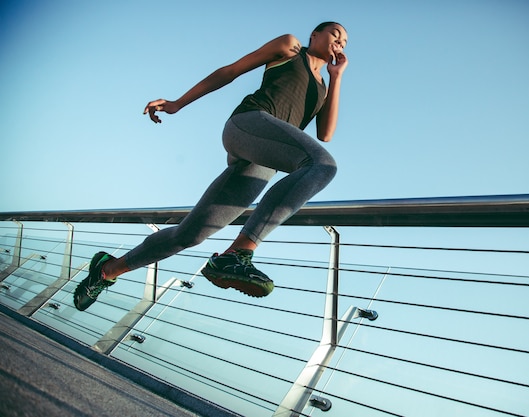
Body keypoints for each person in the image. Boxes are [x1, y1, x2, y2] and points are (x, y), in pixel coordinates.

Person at [73, 22, 348, 311]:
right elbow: (230, 72)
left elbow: (325, 133)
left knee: (191, 234)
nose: (339, 43)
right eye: (335, 35)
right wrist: (178, 103)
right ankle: (238, 253)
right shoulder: (290, 48)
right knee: (323, 164)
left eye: (344, 42)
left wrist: (336, 77)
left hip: (264, 158)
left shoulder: (323, 87)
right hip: (248, 123)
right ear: (314, 35)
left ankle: (106, 270)